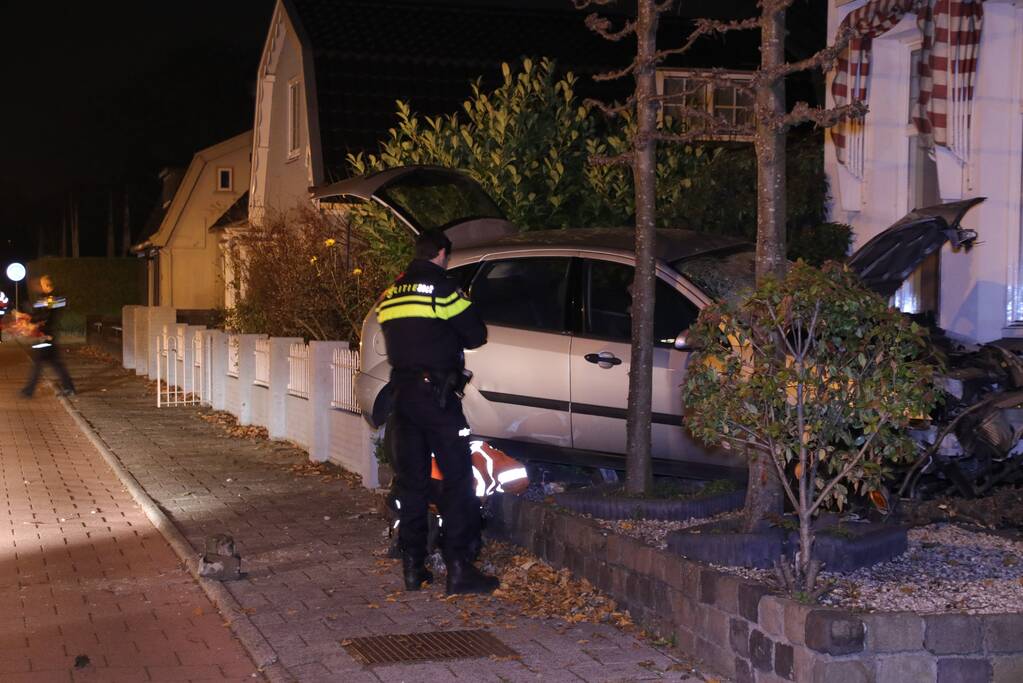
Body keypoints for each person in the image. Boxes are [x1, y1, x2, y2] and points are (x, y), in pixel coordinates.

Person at [377, 230, 499, 595]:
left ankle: (414, 569)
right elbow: (475, 335)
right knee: (458, 478)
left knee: (413, 482)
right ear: (443, 254)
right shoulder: (444, 290)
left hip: (401, 396)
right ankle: (459, 569)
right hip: (438, 398)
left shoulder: (390, 295)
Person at [20, 275, 76, 398]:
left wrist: (32, 319)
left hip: (46, 335)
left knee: (39, 362)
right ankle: (69, 388)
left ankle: (29, 390)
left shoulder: (52, 299)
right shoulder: (49, 299)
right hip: (47, 335)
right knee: (54, 364)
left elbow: (44, 315)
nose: (40, 286)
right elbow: (41, 312)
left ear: (47, 285)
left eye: (42, 284)